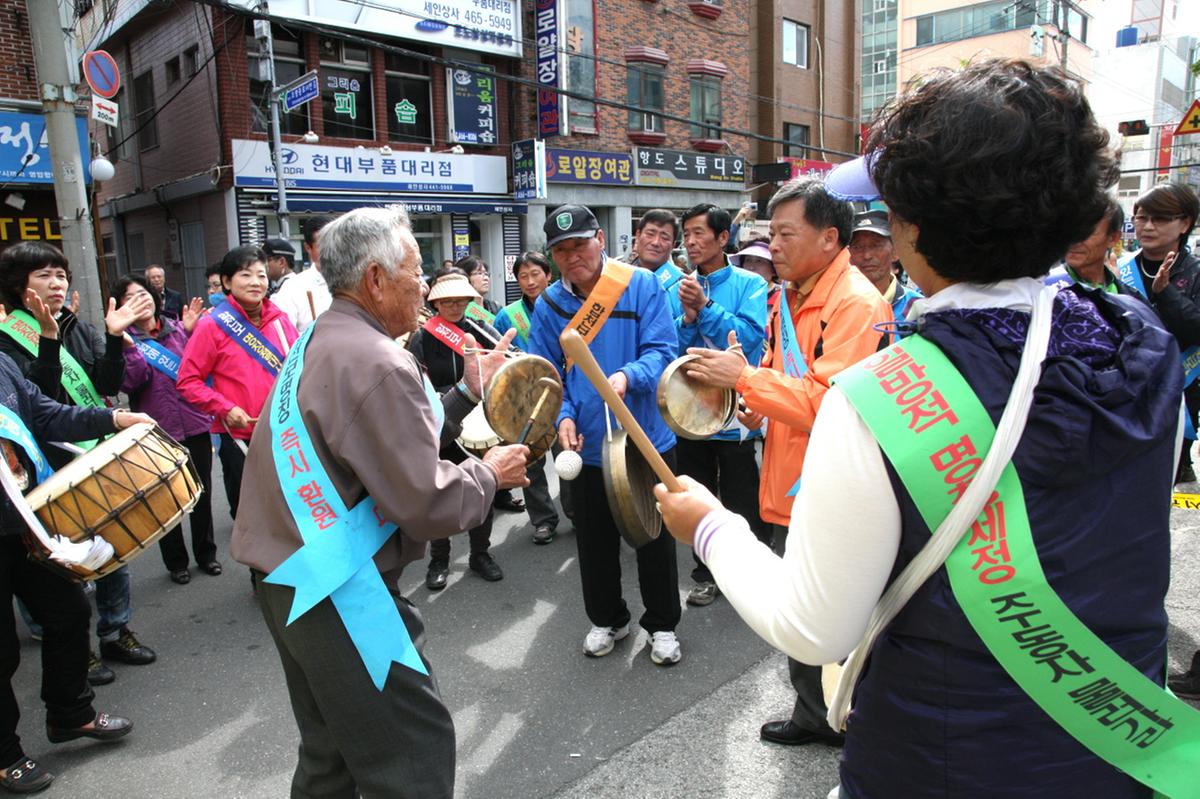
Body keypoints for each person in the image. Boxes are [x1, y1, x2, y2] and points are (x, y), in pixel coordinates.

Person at [659, 59, 1184, 799]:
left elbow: (815, 628)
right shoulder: (1143, 343)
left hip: (940, 761)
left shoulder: (880, 395)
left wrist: (710, 525)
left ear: (910, 224)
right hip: (1114, 751)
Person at [230, 205, 529, 798]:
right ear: (373, 279)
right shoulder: (378, 359)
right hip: (339, 585)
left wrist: (467, 390)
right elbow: (424, 498)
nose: (427, 284)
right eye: (416, 269)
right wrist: (490, 475)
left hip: (288, 577)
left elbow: (370, 442)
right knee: (410, 753)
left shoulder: (325, 335)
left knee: (332, 753)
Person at [683, 177, 891, 746]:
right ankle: (815, 712)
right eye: (769, 233)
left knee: (835, 615)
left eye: (784, 234)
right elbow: (783, 370)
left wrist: (745, 377)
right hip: (789, 473)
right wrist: (751, 404)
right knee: (804, 610)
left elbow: (833, 403)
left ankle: (847, 719)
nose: (772, 245)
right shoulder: (788, 295)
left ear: (829, 238)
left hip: (829, 486)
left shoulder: (856, 302)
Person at [528, 204, 683, 665]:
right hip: (588, 446)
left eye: (579, 244)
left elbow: (663, 349)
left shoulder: (640, 285)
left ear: (600, 237)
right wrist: (564, 418)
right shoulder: (551, 305)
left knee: (654, 536)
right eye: (561, 250)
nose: (572, 256)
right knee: (592, 541)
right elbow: (549, 375)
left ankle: (662, 625)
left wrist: (627, 376)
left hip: (645, 436)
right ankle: (608, 618)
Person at [0, 241, 158, 686]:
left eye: (61, 275)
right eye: (44, 276)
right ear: (19, 286)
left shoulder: (78, 326)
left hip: (94, 451)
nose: (56, 284)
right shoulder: (6, 338)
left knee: (112, 545)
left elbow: (108, 383)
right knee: (61, 564)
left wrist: (112, 337)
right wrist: (47, 343)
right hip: (43, 466)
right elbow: (38, 403)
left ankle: (115, 630)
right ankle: (79, 649)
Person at [0, 354, 150, 794]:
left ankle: (70, 714)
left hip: (22, 523)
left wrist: (115, 417)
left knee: (68, 612)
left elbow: (45, 412)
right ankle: (5, 753)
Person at [674, 204, 769, 607]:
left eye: (699, 233)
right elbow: (673, 350)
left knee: (740, 489)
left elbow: (748, 341)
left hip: (736, 411)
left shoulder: (750, 284)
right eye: (687, 234)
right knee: (698, 491)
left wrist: (707, 308)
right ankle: (706, 571)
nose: (691, 242)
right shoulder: (675, 286)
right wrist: (688, 317)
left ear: (723, 238)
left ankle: (753, 568)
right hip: (693, 407)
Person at [178, 245, 299, 522]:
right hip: (239, 437)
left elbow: (299, 371)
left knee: (289, 511)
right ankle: (259, 567)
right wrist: (224, 408)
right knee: (250, 515)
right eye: (246, 275)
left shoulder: (280, 321)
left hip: (284, 433)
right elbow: (187, 381)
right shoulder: (212, 325)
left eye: (261, 275)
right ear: (227, 282)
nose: (256, 282)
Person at [113, 275, 216, 585]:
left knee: (202, 493)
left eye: (144, 294)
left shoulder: (176, 328)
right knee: (164, 498)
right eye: (131, 297)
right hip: (157, 429)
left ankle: (207, 555)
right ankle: (176, 562)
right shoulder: (123, 339)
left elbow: (197, 369)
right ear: (121, 306)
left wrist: (190, 333)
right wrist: (130, 350)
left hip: (194, 423)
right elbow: (130, 383)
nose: (141, 300)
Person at [407, 275, 506, 587]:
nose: (454, 306)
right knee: (438, 494)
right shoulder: (422, 337)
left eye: (460, 300)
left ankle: (480, 553)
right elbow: (415, 381)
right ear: (435, 303)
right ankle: (439, 558)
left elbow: (502, 365)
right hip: (440, 422)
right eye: (447, 301)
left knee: (483, 489)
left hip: (480, 423)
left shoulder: (479, 330)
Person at [1117, 183, 1200, 484]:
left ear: (1185, 224)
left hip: (1178, 395)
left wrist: (1166, 295)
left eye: (1160, 218)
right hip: (1123, 393)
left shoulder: (1195, 272)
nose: (1148, 226)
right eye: (1142, 217)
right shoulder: (1119, 268)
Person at [493, 251, 561, 544]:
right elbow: (495, 355)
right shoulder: (507, 316)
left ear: (549, 275)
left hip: (561, 394)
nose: (530, 281)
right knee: (531, 460)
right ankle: (543, 519)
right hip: (524, 401)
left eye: (536, 274)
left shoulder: (566, 307)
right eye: (523, 276)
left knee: (568, 453)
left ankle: (576, 511)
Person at [848, 210, 922, 322]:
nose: (867, 255)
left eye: (876, 245)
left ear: (895, 252)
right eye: (858, 247)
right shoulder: (837, 305)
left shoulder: (916, 308)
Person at [273, 215, 335, 332]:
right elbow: (285, 335)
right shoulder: (293, 288)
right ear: (307, 248)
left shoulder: (357, 282)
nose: (330, 251)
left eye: (334, 244)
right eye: (322, 246)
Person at [628, 209, 685, 321]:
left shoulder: (682, 287)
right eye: (650, 234)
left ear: (673, 245)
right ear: (638, 235)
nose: (655, 242)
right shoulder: (617, 276)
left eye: (664, 238)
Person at [730, 237, 780, 311]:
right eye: (748, 260)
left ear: (774, 269)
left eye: (759, 261)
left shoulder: (783, 299)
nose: (751, 267)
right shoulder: (733, 295)